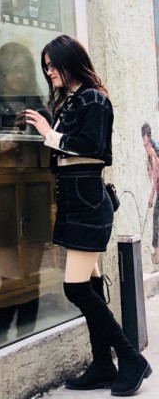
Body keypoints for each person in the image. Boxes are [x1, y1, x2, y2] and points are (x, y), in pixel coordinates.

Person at [25, 35, 152, 396]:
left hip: (88, 204)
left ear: (71, 62)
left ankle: (131, 360)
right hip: (75, 201)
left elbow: (93, 147)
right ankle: (102, 364)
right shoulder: (75, 100)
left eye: (53, 65)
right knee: (92, 285)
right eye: (45, 66)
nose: (49, 71)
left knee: (76, 287)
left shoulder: (94, 99)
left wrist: (50, 134)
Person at [0, 42, 48, 346]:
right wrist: (0, 144)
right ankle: (0, 337)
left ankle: (26, 337)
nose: (18, 74)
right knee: (9, 272)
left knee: (32, 271)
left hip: (36, 191)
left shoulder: (38, 105)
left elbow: (50, 150)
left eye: (23, 68)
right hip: (2, 192)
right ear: (1, 70)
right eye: (12, 67)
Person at [0, 41, 46, 133]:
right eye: (15, 68)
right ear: (2, 71)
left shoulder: (38, 109)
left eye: (24, 69)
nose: (20, 75)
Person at [141, 123, 159, 265]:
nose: (145, 148)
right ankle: (156, 249)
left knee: (156, 217)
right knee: (156, 217)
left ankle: (157, 250)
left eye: (146, 145)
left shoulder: (154, 155)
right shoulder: (151, 156)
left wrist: (151, 198)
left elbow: (155, 179)